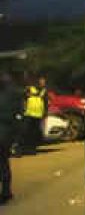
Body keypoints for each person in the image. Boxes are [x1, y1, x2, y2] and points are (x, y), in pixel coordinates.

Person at [0, 73, 23, 204]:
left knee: (2, 162)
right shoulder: (14, 93)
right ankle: (6, 191)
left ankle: (6, 191)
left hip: (4, 132)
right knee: (3, 162)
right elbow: (18, 114)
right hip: (6, 133)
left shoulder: (11, 94)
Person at [19, 76, 46, 155]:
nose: (43, 83)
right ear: (37, 82)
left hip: (38, 115)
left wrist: (45, 114)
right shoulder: (29, 88)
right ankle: (22, 149)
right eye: (41, 82)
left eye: (44, 82)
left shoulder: (44, 91)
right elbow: (22, 98)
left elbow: (45, 103)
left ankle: (32, 149)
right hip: (28, 114)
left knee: (35, 134)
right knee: (26, 133)